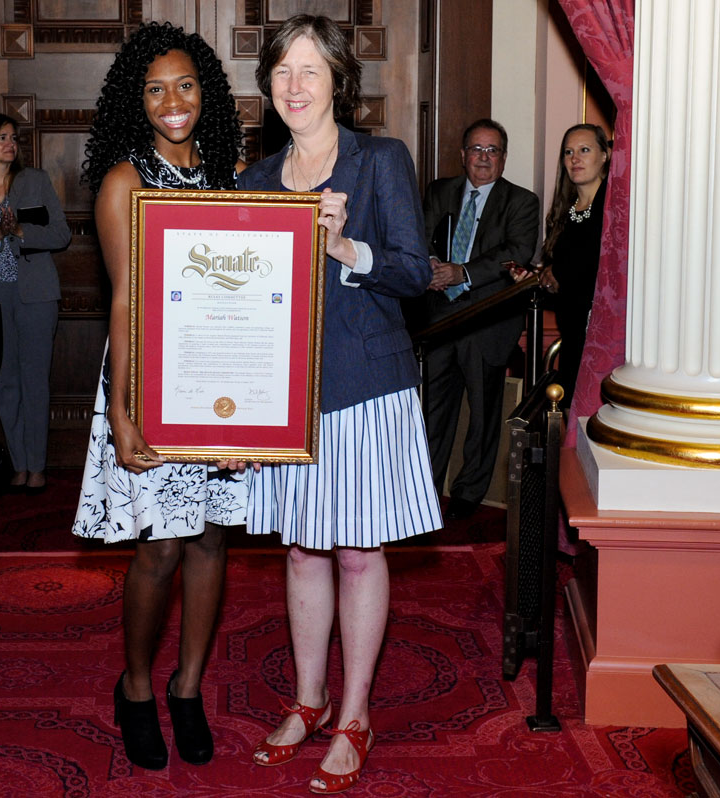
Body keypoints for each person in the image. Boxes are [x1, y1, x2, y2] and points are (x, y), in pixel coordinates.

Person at [237, 15, 441, 795]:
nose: (294, 85)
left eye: (310, 70)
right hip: (283, 396)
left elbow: (413, 270)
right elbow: (242, 306)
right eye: (283, 71)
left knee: (357, 551)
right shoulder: (256, 182)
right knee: (299, 551)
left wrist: (347, 248)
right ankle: (309, 699)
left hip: (364, 386)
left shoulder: (379, 159)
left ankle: (355, 712)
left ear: (338, 82)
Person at [70, 22, 246, 770]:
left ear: (205, 90)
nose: (172, 102)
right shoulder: (124, 181)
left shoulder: (228, 170)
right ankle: (137, 686)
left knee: (210, 537)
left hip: (223, 375)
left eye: (185, 85)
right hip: (152, 375)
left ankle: (189, 687)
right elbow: (123, 303)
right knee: (162, 545)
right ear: (134, 100)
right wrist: (120, 410)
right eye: (155, 89)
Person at [415, 119, 540, 521]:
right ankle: (424, 495)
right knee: (432, 413)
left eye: (492, 151)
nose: (483, 158)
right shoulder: (439, 191)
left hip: (487, 322)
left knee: (484, 417)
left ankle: (469, 499)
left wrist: (462, 272)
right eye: (476, 149)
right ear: (463, 154)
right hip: (438, 320)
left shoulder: (522, 202)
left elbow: (517, 251)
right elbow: (417, 235)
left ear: (503, 158)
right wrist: (431, 264)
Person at [0, 113, 71, 494]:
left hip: (37, 294)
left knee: (34, 381)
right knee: (5, 382)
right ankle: (19, 463)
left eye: (14, 137)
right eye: (2, 138)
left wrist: (23, 231)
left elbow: (61, 234)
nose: (11, 144)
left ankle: (38, 466)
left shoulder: (35, 181)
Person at [536, 123, 610, 408]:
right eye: (568, 152)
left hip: (604, 334)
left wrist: (559, 274)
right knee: (568, 412)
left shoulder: (615, 205)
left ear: (604, 155)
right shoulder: (562, 210)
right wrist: (540, 277)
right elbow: (562, 271)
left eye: (584, 150)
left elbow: (602, 265)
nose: (575, 159)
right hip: (572, 331)